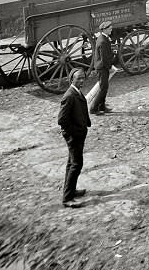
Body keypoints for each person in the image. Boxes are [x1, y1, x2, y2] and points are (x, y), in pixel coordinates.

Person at [57, 68, 91, 208]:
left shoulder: (76, 91)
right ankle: (67, 198)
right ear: (72, 79)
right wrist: (75, 132)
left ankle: (70, 190)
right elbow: (62, 120)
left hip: (77, 133)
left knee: (71, 163)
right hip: (74, 136)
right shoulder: (69, 96)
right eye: (79, 78)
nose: (82, 81)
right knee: (76, 164)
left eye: (83, 78)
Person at [90, 21, 114, 115]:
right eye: (109, 29)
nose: (111, 30)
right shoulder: (103, 41)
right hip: (102, 67)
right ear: (104, 30)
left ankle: (102, 107)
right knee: (103, 88)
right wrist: (109, 67)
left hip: (102, 67)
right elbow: (104, 58)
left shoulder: (103, 38)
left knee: (104, 87)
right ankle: (93, 108)